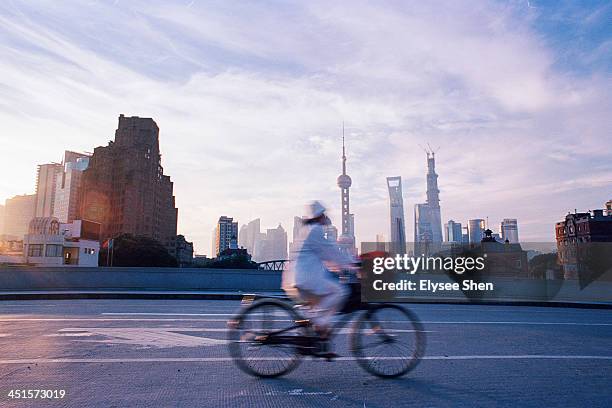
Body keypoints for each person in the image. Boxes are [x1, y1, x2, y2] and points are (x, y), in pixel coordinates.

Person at [282, 201, 356, 340]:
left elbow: (326, 256)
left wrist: (340, 266)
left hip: (297, 278)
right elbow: (331, 252)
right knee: (340, 291)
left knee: (318, 306)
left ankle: (313, 337)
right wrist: (353, 263)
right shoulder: (315, 230)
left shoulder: (307, 231)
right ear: (319, 216)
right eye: (323, 214)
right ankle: (319, 323)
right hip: (306, 279)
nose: (325, 217)